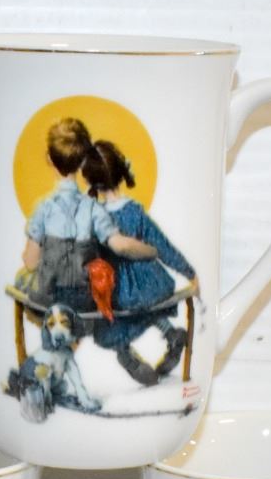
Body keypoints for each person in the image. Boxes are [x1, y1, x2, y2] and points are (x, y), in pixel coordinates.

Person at [80, 139, 195, 386]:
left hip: (118, 286)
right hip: (149, 281)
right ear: (120, 171)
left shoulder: (96, 216)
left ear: (92, 182)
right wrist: (188, 271)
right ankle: (170, 332)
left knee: (107, 319)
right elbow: (161, 244)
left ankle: (125, 355)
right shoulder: (135, 211)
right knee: (145, 306)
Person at [17, 119, 157, 314]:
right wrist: (152, 251)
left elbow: (31, 263)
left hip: (49, 302)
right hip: (85, 302)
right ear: (83, 161)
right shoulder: (93, 208)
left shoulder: (44, 208)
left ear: (50, 159)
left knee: (22, 278)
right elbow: (121, 246)